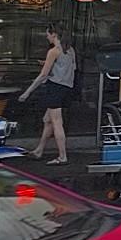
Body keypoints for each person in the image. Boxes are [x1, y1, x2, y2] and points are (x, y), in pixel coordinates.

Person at [18, 24, 76, 165]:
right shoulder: (70, 50)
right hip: (67, 88)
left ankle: (62, 157)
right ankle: (39, 150)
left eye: (48, 34)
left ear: (54, 34)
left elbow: (43, 75)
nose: (47, 37)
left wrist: (27, 92)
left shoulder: (53, 51)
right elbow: (72, 67)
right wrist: (49, 64)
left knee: (56, 122)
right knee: (48, 120)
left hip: (55, 88)